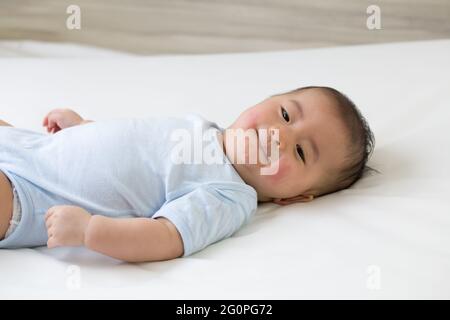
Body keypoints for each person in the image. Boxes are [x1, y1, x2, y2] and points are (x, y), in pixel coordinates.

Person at [0, 86, 374, 262]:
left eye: (300, 151)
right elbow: (133, 147)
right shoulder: (202, 127)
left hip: (29, 196)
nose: (279, 135)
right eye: (286, 115)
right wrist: (82, 126)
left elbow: (166, 237)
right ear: (265, 99)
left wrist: (90, 231)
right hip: (30, 147)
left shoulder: (228, 195)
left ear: (293, 197)